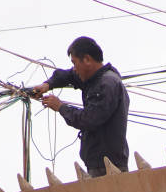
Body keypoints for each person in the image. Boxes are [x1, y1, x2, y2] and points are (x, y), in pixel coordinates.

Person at [31, 35, 129, 177]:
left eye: (75, 63)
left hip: (109, 166)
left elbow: (89, 119)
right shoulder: (93, 78)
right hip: (97, 163)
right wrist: (47, 84)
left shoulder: (107, 84)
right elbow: (67, 75)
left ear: (87, 60)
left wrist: (60, 107)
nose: (74, 68)